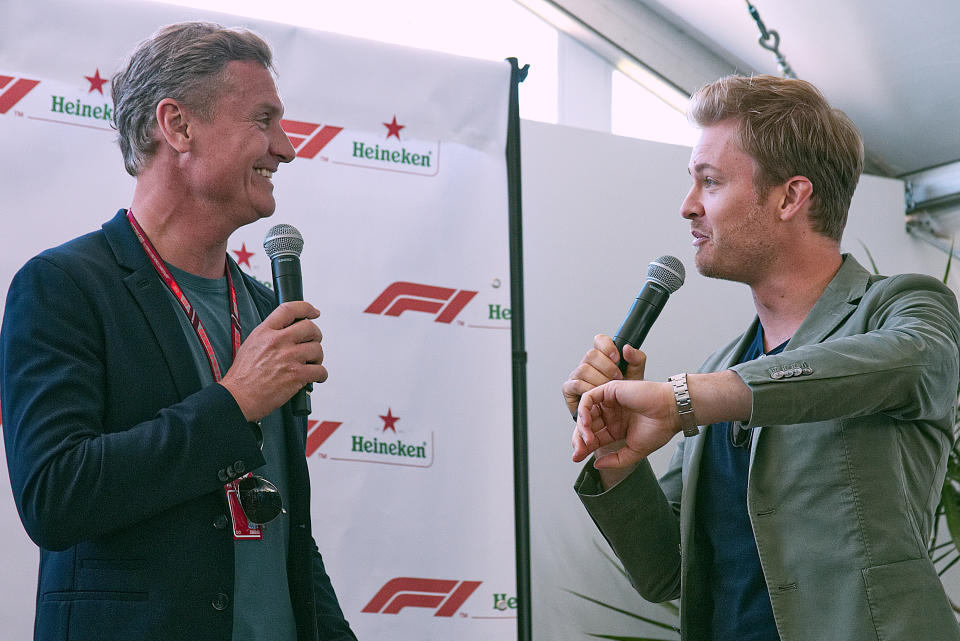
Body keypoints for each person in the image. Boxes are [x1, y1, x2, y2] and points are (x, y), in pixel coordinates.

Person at [563, 74, 960, 641]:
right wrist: (617, 455)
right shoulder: (722, 364)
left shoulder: (902, 305)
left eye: (710, 182)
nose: (687, 206)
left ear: (790, 197)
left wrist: (690, 399)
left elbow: (914, 362)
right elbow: (666, 572)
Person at [0, 22, 357, 641]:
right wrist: (235, 402)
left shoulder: (264, 304)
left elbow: (286, 528)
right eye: (263, 119)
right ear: (178, 126)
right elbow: (56, 495)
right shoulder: (63, 285)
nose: (288, 147)